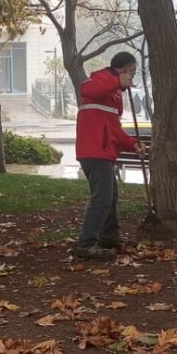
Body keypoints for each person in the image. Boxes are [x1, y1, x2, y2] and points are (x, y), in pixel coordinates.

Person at [74, 52, 141, 260]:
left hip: (103, 151)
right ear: (124, 70)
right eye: (131, 73)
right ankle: (86, 244)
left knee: (111, 197)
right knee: (102, 198)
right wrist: (117, 82)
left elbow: (114, 129)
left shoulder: (114, 95)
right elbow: (87, 88)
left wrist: (133, 144)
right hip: (95, 151)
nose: (132, 79)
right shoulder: (100, 80)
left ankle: (109, 236)